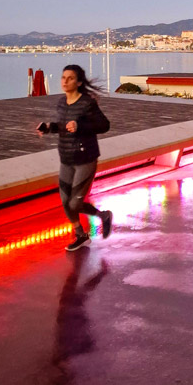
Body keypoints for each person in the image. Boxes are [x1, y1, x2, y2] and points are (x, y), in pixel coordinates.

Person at [37, 64, 113, 251]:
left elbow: (104, 125)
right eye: (63, 77)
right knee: (65, 202)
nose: (65, 81)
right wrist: (49, 127)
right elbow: (64, 126)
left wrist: (80, 127)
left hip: (85, 158)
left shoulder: (87, 103)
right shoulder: (62, 102)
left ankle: (103, 215)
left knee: (74, 203)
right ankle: (81, 235)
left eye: (70, 78)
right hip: (66, 159)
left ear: (79, 82)